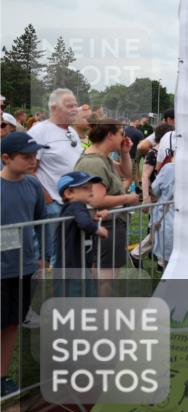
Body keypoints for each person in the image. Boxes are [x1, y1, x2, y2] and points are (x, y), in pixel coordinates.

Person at [1, 132, 49, 397]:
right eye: (26, 157)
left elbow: (40, 222)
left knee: (12, 323)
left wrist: (41, 256)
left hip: (24, 267)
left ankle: (2, 376)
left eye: (34, 156)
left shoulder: (33, 186)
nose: (33, 161)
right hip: (1, 268)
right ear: (6, 158)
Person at [74, 118, 139, 282]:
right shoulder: (94, 162)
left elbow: (126, 173)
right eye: (120, 134)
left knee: (108, 275)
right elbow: (96, 200)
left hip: (110, 224)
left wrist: (125, 152)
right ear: (110, 135)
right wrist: (127, 198)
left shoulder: (103, 158)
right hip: (105, 226)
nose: (124, 138)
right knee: (106, 279)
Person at [27, 89, 84, 266]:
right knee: (48, 253)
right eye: (69, 106)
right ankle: (41, 291)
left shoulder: (72, 132)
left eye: (76, 104)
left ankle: (60, 290)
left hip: (72, 203)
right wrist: (47, 199)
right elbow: (29, 169)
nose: (75, 109)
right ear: (53, 107)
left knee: (66, 252)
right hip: (53, 205)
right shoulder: (39, 131)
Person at [54, 172, 108, 283]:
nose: (91, 192)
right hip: (72, 269)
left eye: (91, 188)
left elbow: (80, 223)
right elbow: (84, 224)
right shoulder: (76, 206)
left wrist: (93, 219)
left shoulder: (75, 208)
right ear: (69, 193)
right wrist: (98, 230)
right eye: (85, 188)